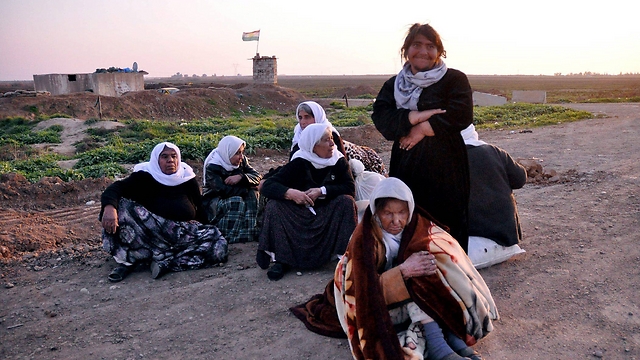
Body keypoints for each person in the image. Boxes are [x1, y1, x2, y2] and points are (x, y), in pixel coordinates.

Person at [291, 177, 498, 360]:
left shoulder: (420, 226)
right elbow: (361, 290)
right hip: (368, 299)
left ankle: (454, 340)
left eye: (401, 212)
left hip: (402, 300)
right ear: (376, 212)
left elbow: (451, 263)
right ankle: (440, 348)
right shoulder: (364, 240)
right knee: (416, 281)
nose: (396, 221)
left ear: (410, 209)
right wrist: (403, 272)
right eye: (388, 213)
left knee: (432, 276)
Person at [371, 23, 473, 252]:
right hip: (407, 166)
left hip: (447, 168)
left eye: (430, 46)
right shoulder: (394, 85)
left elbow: (461, 114)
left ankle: (451, 281)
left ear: (439, 51)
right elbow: (382, 119)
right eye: (417, 45)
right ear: (406, 49)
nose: (423, 51)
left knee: (448, 227)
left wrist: (423, 129)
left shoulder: (454, 80)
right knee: (409, 222)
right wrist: (415, 116)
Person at [100, 142, 228, 282]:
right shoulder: (144, 177)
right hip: (150, 235)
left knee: (218, 246)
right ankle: (128, 261)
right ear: (156, 159)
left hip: (180, 234)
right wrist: (109, 208)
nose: (170, 160)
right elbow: (115, 189)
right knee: (123, 206)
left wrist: (203, 226)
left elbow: (199, 206)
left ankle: (164, 263)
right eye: (165, 157)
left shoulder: (187, 177)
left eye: (174, 156)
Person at [256, 122, 357, 280]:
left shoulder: (338, 161)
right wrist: (290, 193)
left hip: (326, 214)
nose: (332, 143)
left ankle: (344, 259)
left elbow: (349, 187)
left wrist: (322, 191)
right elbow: (268, 185)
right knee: (274, 206)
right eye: (326, 140)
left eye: (331, 138)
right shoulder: (299, 162)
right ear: (313, 146)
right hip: (300, 213)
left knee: (346, 202)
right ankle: (281, 260)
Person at [461, 124, 527, 268]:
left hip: (473, 242)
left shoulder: (444, 158)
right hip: (507, 237)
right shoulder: (494, 152)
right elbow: (520, 178)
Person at [203, 135, 262, 243]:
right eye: (237, 153)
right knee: (236, 201)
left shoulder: (241, 161)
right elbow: (222, 191)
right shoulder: (213, 167)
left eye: (241, 152)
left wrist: (241, 177)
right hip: (214, 201)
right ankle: (227, 235)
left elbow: (257, 176)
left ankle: (248, 232)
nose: (241, 156)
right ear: (228, 152)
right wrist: (245, 188)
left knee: (253, 195)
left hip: (235, 193)